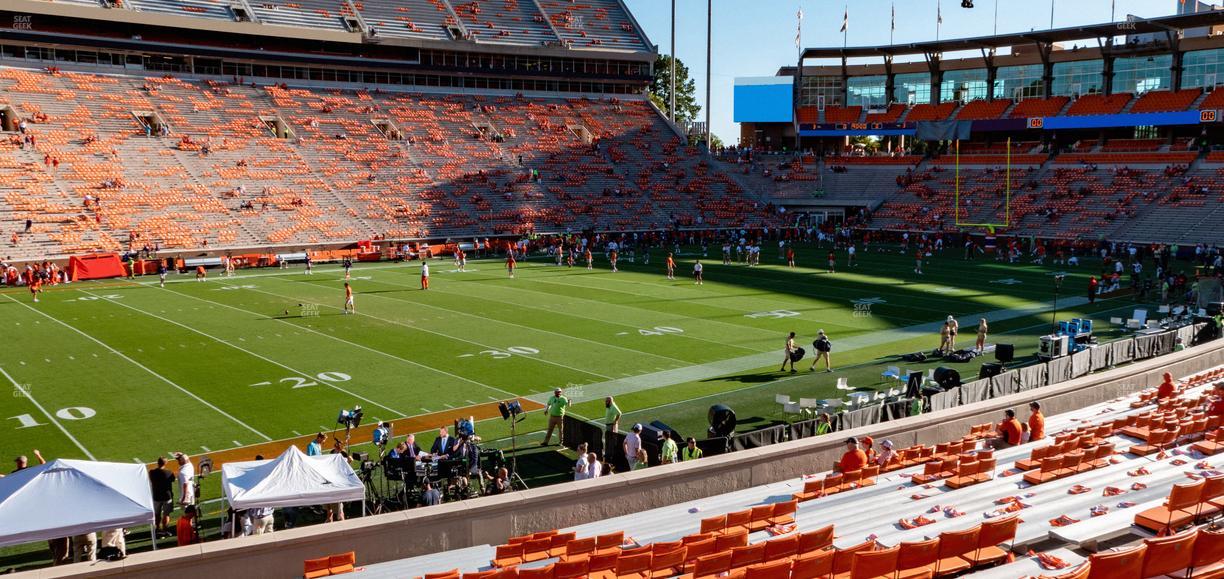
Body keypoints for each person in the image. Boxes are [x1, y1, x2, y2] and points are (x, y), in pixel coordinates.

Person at [149, 457, 176, 537]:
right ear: (165, 463)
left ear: (158, 463)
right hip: (167, 496)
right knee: (166, 514)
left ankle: (157, 528)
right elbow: (173, 479)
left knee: (157, 514)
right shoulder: (169, 472)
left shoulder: (152, 472)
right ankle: (165, 529)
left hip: (156, 496)